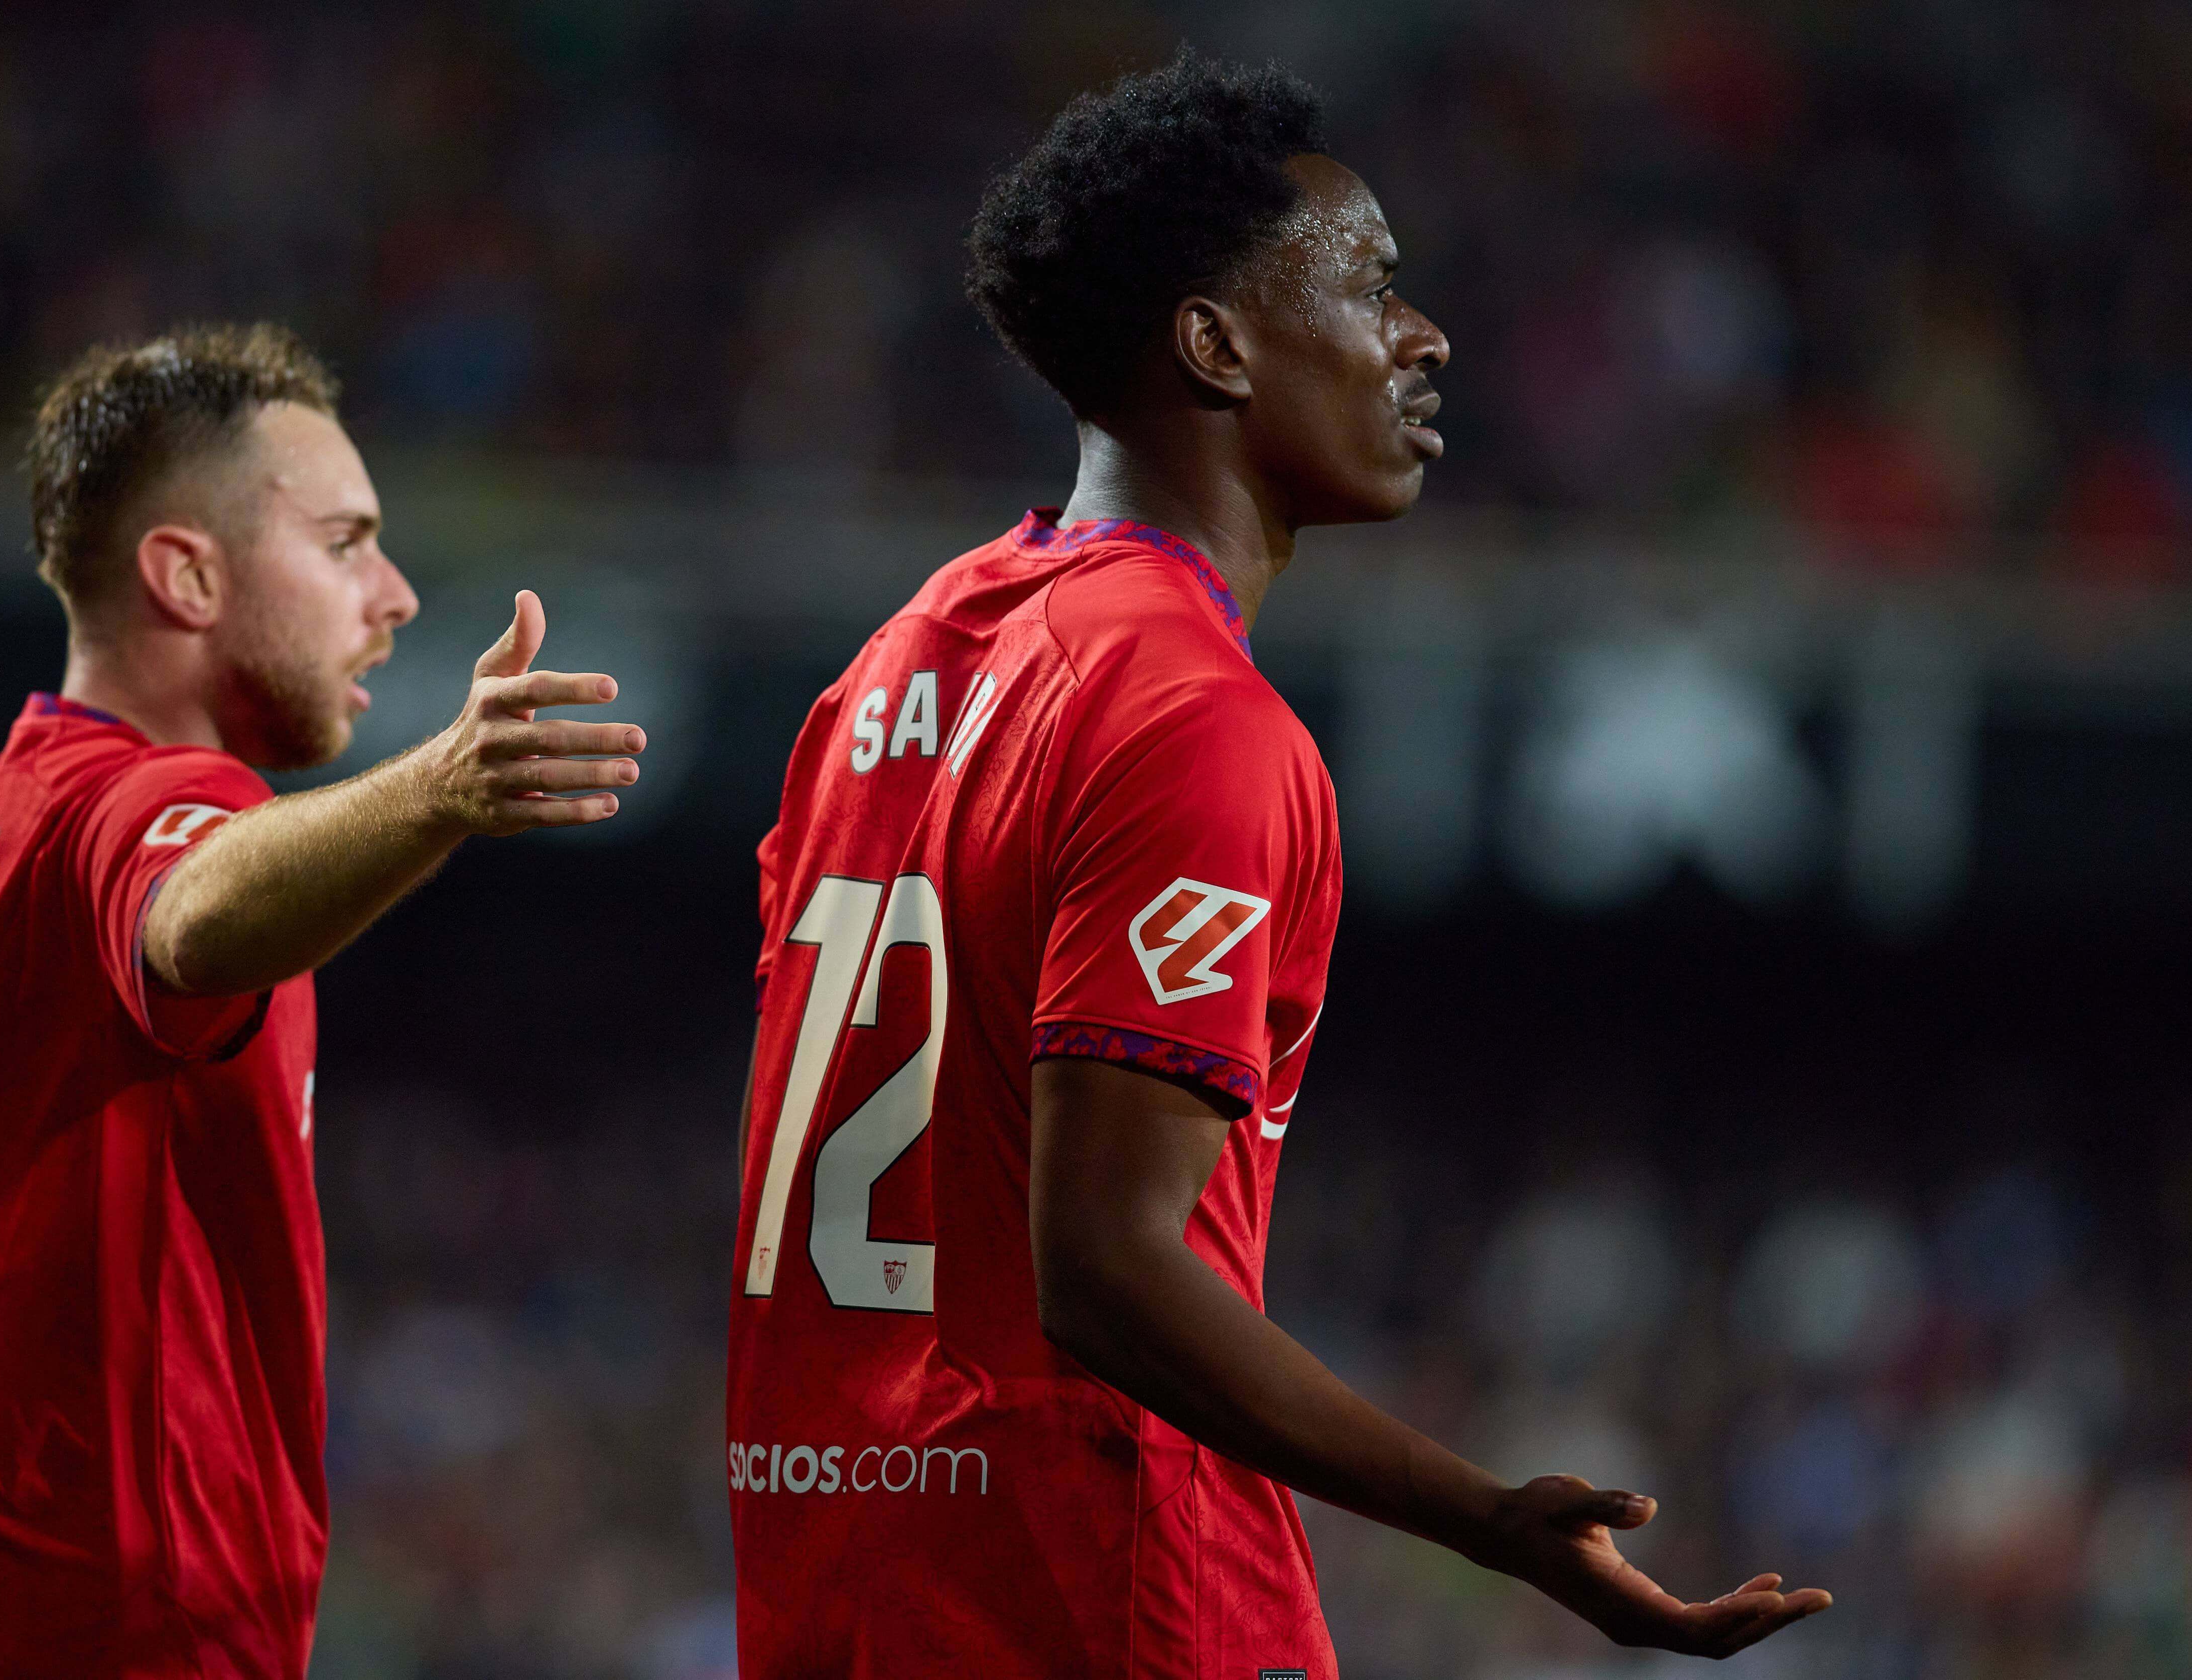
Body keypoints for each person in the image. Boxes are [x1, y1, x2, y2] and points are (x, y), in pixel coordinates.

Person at [725, 53, 1830, 1677]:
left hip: (846, 1589)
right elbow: (1103, 1265)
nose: (1424, 335)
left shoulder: (891, 669)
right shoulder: (1190, 713)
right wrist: (1483, 1517)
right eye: (1373, 285)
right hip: (1099, 1598)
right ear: (1216, 345)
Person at [0, 323, 644, 1677]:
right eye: (344, 543)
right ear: (187, 575)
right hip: (99, 1636)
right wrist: (440, 791)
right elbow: (191, 921)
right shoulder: (151, 803)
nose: (393, 596)